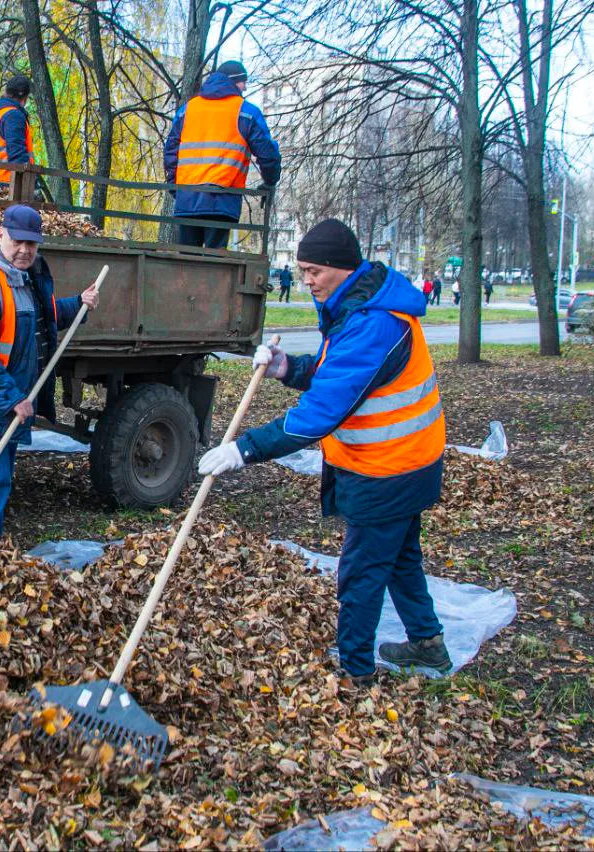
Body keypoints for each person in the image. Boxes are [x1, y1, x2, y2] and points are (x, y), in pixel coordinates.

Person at [197, 218, 451, 686]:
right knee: (400, 557)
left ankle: (356, 672)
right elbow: (337, 375)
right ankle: (428, 644)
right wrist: (285, 366)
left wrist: (244, 449)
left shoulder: (373, 324)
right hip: (406, 460)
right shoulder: (360, 306)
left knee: (362, 572)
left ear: (341, 267)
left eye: (313, 270)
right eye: (302, 270)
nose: (306, 280)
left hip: (390, 468)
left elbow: (320, 413)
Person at [0, 205, 99, 536]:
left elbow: (42, 316)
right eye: (18, 242)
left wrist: (79, 303)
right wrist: (11, 397)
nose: (25, 250)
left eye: (32, 244)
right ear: (1, 235)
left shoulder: (21, 276)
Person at [164, 60, 281, 250]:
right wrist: (270, 181)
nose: (245, 87)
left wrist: (174, 186)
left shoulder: (187, 110)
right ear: (235, 81)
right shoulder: (245, 111)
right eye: (244, 81)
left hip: (187, 200)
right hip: (222, 200)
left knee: (184, 267)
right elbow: (268, 153)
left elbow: (170, 150)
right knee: (214, 269)